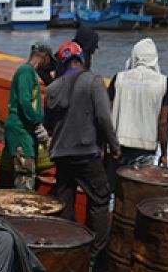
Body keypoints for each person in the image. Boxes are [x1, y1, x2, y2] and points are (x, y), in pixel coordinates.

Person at [44, 41, 120, 260]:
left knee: (65, 200)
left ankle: (70, 245)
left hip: (60, 155)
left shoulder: (52, 88)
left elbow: (48, 123)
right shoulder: (94, 81)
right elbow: (104, 118)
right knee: (99, 199)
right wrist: (114, 145)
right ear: (81, 59)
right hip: (87, 153)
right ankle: (95, 253)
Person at [107, 37, 168, 185]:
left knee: (115, 189)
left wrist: (104, 144)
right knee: (139, 190)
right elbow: (163, 122)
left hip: (118, 146)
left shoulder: (119, 79)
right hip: (146, 148)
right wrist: (164, 153)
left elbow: (106, 113)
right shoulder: (164, 83)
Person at [1, 43, 53, 191]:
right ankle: (21, 210)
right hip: (21, 129)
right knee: (25, 175)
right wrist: (37, 124)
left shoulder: (30, 74)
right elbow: (25, 101)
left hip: (26, 130)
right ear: (44, 57)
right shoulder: (26, 72)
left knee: (27, 172)